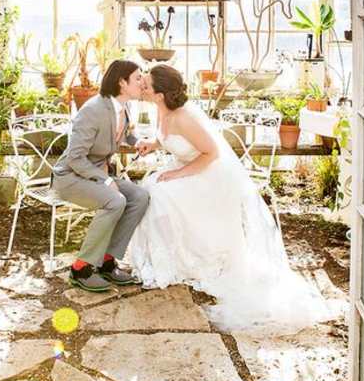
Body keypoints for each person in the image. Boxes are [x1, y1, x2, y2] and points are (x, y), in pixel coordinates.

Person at [129, 64, 342, 335]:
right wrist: (154, 144)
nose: (142, 88)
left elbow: (211, 153)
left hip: (208, 178)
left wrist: (178, 174)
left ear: (160, 95)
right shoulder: (162, 112)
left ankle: (184, 260)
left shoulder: (184, 117)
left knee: (159, 194)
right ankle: (170, 258)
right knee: (151, 188)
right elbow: (172, 139)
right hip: (188, 170)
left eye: (146, 84)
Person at [52, 60, 149, 292]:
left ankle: (107, 261)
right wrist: (105, 180)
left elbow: (125, 134)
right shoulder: (93, 110)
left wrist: (138, 143)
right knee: (115, 200)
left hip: (97, 174)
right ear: (122, 82)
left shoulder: (122, 107)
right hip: (70, 177)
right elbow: (75, 158)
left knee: (140, 196)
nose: (142, 81)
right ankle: (80, 268)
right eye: (138, 77)